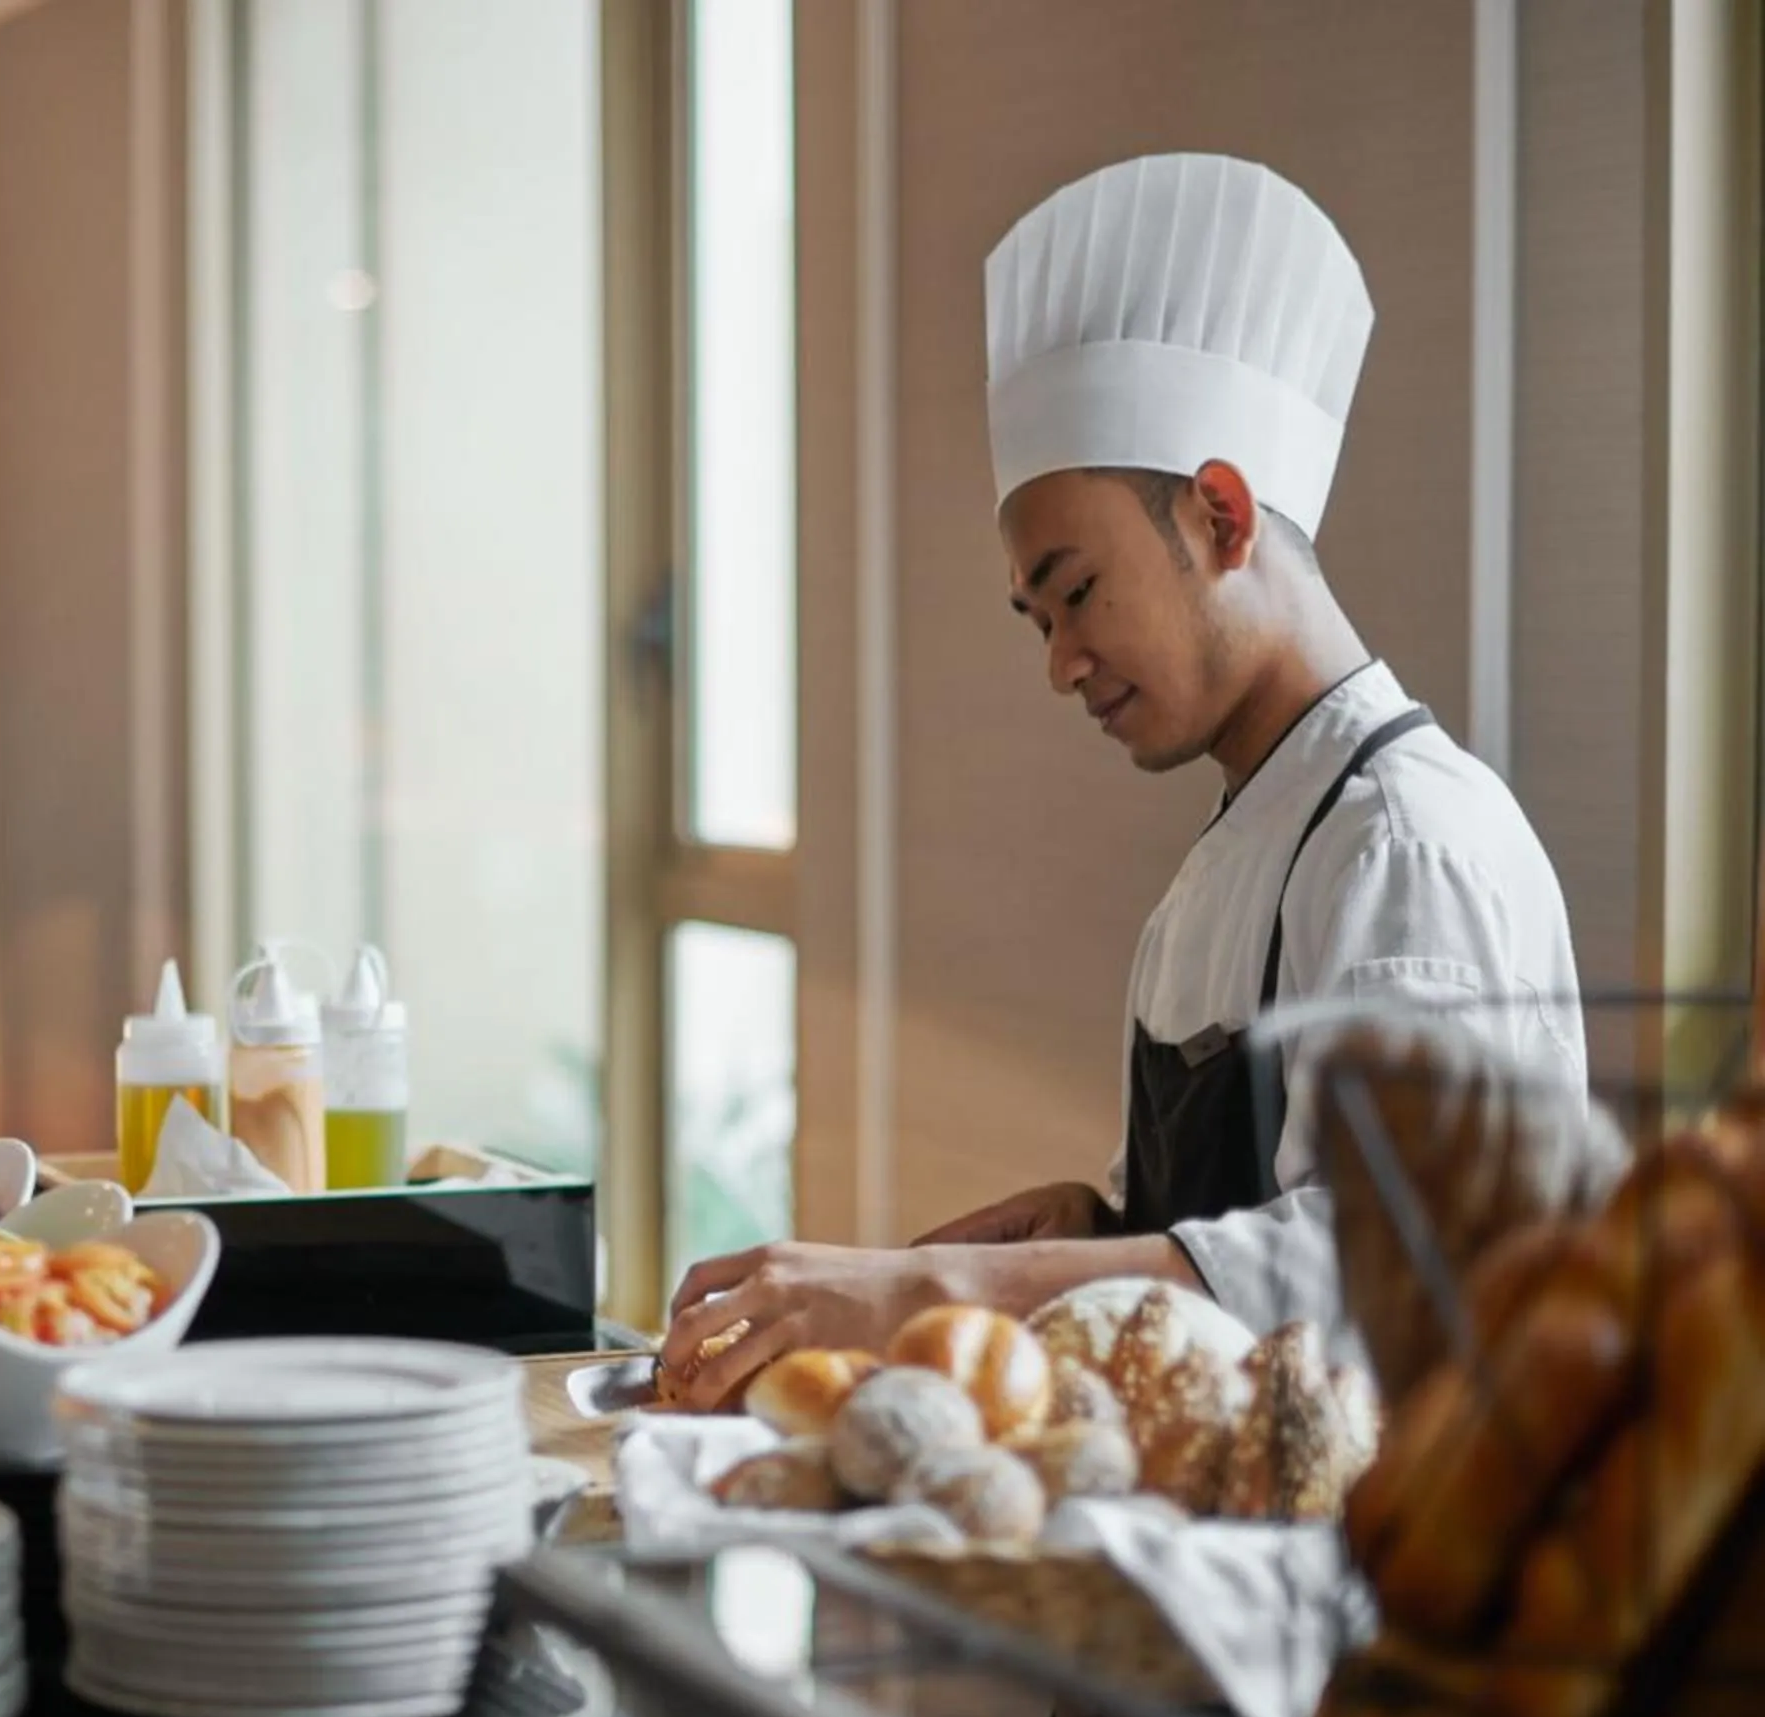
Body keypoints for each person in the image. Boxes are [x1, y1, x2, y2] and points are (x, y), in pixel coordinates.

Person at [662, 153, 1582, 1409]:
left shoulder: (1407, 845)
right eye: (1033, 618)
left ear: (1221, 514)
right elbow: (1226, 1240)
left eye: (1077, 592)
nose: (1060, 662)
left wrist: (924, 1294)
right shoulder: (1239, 849)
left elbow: (1390, 1273)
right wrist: (1091, 1223)